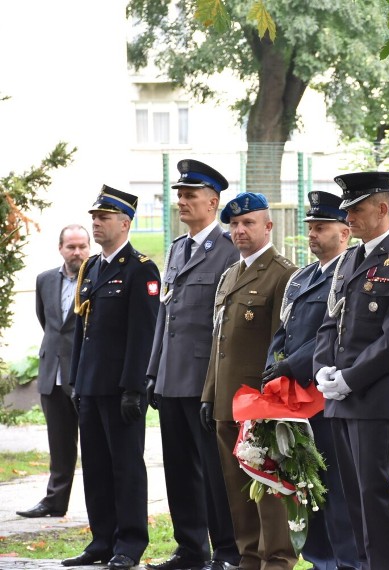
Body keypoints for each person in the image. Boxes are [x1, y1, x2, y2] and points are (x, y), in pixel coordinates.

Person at [313, 171, 389, 570]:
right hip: (339, 394)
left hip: (373, 395)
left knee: (374, 492)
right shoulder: (349, 259)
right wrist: (322, 371)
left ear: (382, 208)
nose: (349, 217)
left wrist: (348, 378)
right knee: (350, 495)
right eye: (346, 209)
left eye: (357, 209)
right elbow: (330, 322)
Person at [145, 160, 240, 570]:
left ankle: (226, 549)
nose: (181, 202)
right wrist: (153, 371)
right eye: (179, 196)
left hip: (205, 379)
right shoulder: (176, 248)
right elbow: (165, 317)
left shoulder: (229, 249)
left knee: (216, 472)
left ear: (213, 202)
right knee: (179, 469)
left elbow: (226, 325)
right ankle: (190, 547)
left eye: (190, 196)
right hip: (172, 377)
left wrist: (218, 383)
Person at [62, 187, 161, 570]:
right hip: (90, 386)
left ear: (125, 222)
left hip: (121, 389)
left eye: (103, 218)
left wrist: (135, 387)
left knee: (126, 468)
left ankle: (130, 543)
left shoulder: (139, 268)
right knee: (97, 469)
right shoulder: (93, 268)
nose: (96, 224)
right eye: (94, 218)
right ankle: (102, 539)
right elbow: (83, 331)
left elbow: (143, 334)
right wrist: (76, 382)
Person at [261, 191, 359, 570]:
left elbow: (333, 334)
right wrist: (274, 364)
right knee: (304, 484)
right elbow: (283, 330)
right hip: (293, 398)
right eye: (311, 227)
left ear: (345, 232)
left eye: (321, 227)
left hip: (325, 395)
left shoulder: (349, 273)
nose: (313, 234)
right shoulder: (302, 277)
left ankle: (344, 560)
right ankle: (320, 559)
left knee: (334, 484)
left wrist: (292, 366)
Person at [200, 192, 298, 570]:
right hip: (227, 399)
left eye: (248, 223)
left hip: (258, 402)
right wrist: (210, 394)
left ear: (268, 226)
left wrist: (269, 402)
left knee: (266, 484)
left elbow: (279, 345)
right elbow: (218, 340)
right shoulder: (230, 274)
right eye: (235, 224)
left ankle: (276, 559)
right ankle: (249, 558)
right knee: (238, 487)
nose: (240, 230)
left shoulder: (282, 273)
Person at [16, 225, 90, 519]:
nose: (77, 252)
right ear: (60, 248)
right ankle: (54, 501)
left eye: (82, 246)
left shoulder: (96, 278)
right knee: (59, 444)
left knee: (96, 446)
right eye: (71, 246)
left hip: (84, 375)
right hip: (52, 374)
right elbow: (47, 321)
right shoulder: (45, 280)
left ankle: (102, 506)